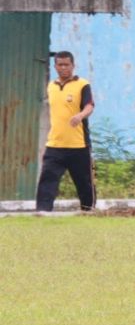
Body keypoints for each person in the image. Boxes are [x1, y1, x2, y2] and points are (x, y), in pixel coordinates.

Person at [36, 50, 96, 212]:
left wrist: (80, 115)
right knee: (47, 180)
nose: (64, 68)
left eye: (67, 65)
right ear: (55, 66)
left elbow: (89, 105)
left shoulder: (82, 84)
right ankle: (43, 212)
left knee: (84, 182)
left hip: (78, 145)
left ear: (73, 66)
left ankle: (88, 210)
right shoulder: (51, 86)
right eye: (60, 65)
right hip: (55, 144)